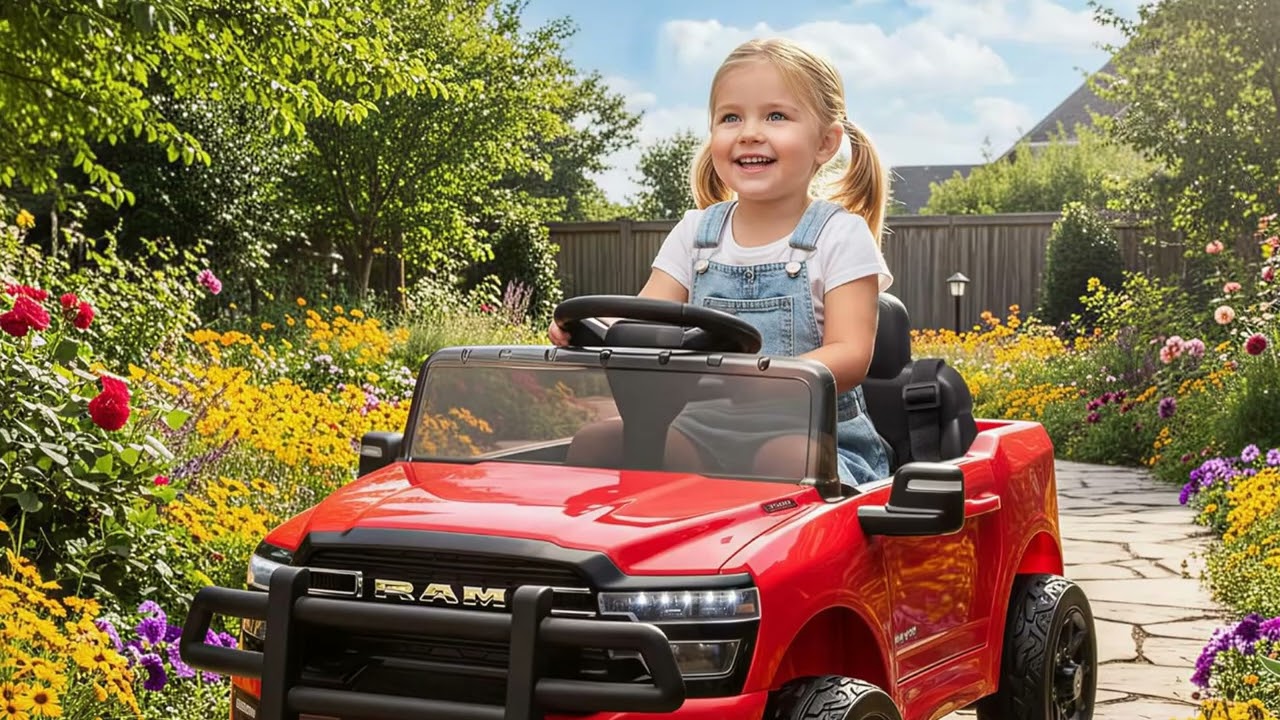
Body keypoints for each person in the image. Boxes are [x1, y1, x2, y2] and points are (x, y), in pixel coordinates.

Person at [549, 37, 893, 485]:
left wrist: (757, 380)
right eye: (731, 117)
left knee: (786, 461)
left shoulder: (839, 235)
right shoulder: (697, 234)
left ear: (826, 143)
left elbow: (850, 354)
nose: (749, 132)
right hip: (701, 426)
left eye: (776, 116)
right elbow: (646, 317)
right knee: (598, 444)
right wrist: (589, 329)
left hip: (811, 430)